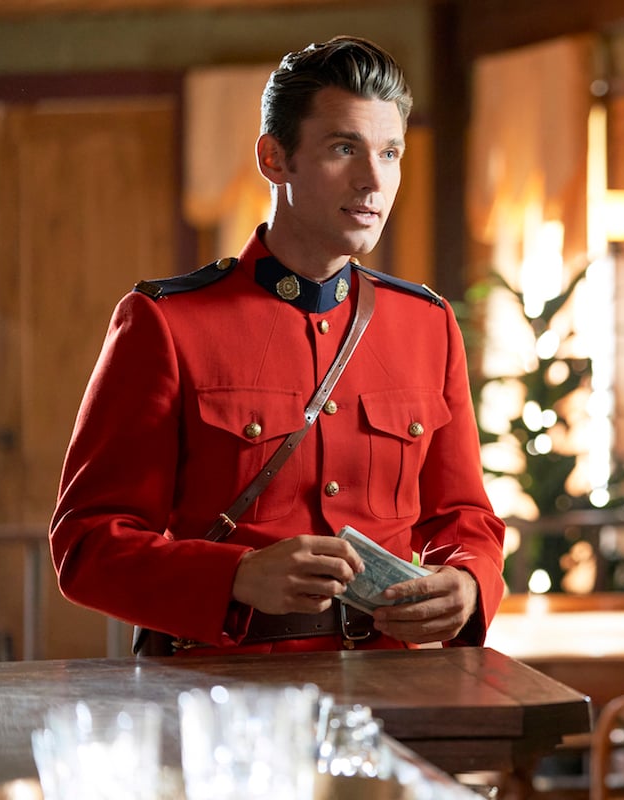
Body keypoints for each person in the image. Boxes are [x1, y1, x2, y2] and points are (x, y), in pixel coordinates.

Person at [49, 36, 506, 655]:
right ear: (275, 159)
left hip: (397, 691)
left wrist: (471, 583)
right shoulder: (165, 323)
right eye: (344, 148)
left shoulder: (426, 323)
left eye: (390, 152)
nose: (374, 179)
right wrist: (234, 577)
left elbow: (465, 519)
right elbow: (87, 546)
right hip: (224, 696)